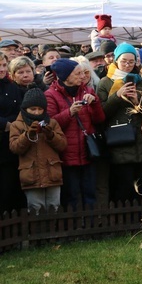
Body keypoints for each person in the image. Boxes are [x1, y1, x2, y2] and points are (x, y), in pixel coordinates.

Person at [45, 58, 105, 210]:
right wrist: (69, 113)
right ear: (65, 77)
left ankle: (91, 226)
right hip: (66, 154)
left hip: (87, 152)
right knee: (71, 195)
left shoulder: (87, 91)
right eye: (77, 73)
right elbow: (50, 124)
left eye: (83, 73)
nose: (82, 76)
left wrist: (95, 103)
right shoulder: (51, 95)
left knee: (90, 193)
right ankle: (74, 228)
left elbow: (99, 119)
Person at [97, 43, 142, 204]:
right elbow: (101, 114)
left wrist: (137, 102)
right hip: (119, 142)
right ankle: (123, 222)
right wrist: (117, 96)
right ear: (115, 61)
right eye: (124, 61)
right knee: (123, 186)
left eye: (131, 61)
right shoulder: (105, 83)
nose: (128, 65)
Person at [9, 85, 67, 214]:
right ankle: (37, 233)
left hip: (52, 173)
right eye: (32, 109)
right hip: (31, 176)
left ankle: (55, 231)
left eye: (40, 109)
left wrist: (51, 135)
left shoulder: (52, 123)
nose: (36, 112)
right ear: (25, 108)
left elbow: (62, 145)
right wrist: (28, 135)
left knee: (54, 206)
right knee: (36, 208)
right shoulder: (16, 125)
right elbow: (15, 148)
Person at [0, 52, 25, 214]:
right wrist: (5, 124)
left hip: (9, 146)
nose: (2, 69)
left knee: (9, 189)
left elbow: (20, 110)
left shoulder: (12, 87)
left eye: (3, 65)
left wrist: (12, 125)